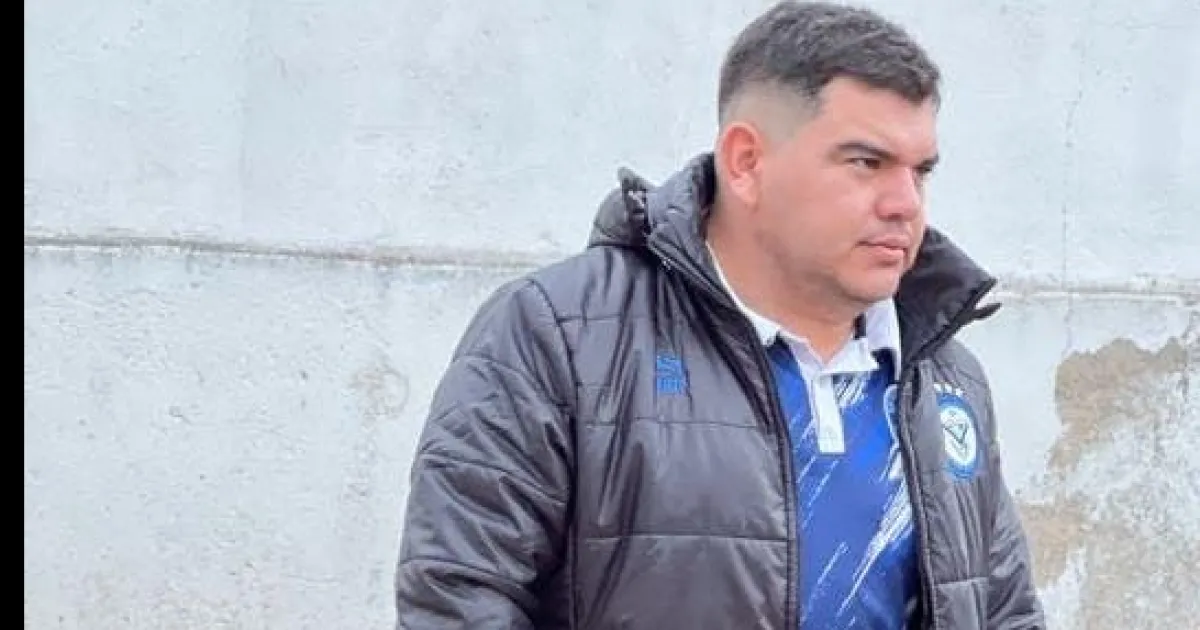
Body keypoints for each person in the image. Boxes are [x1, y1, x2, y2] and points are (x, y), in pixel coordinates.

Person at [393, 2, 1045, 628]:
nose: (905, 203)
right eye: (866, 163)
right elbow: (457, 597)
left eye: (920, 171)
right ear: (746, 163)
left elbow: (1006, 611)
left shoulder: (942, 376)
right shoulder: (560, 336)